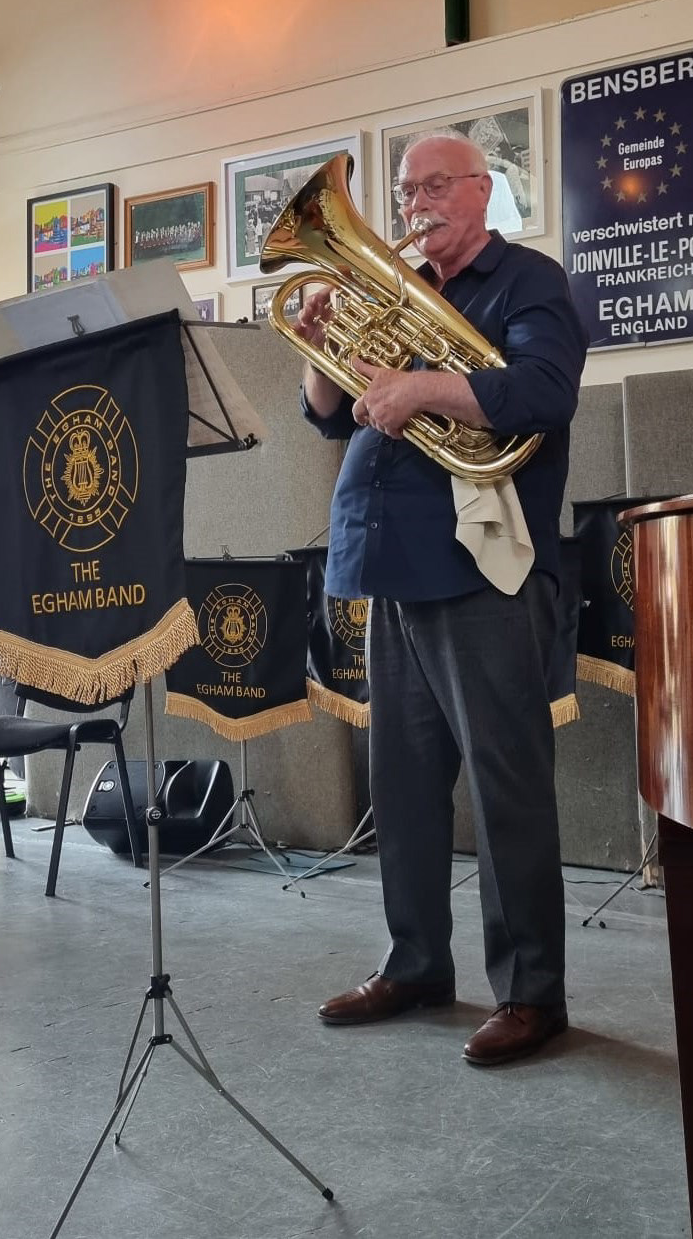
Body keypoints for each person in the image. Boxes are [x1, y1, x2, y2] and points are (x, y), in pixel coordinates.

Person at [299, 130, 586, 1067]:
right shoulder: (398, 287)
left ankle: (531, 991)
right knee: (404, 787)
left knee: (507, 786)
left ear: (482, 189)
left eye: (433, 186)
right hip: (392, 564)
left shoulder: (528, 280)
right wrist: (320, 348)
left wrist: (421, 385)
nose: (414, 204)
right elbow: (329, 412)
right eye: (405, 190)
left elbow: (544, 390)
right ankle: (416, 962)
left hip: (482, 567)